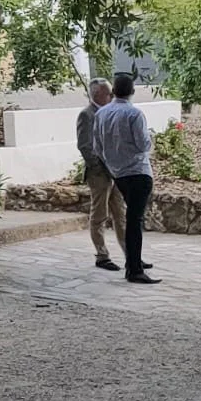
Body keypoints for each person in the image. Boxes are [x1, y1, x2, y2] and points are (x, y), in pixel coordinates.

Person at [94, 72, 159, 284]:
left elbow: (98, 148)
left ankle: (133, 264)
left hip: (119, 173)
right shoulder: (134, 114)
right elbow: (143, 145)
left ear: (113, 91)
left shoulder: (101, 114)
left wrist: (113, 164)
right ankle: (134, 269)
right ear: (132, 92)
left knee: (131, 219)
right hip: (139, 172)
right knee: (134, 221)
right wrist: (151, 138)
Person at [76, 77, 127, 270]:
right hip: (99, 175)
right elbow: (84, 145)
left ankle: (131, 255)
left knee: (120, 214)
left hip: (115, 172)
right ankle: (102, 255)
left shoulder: (110, 113)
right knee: (99, 215)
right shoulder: (86, 115)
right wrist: (99, 167)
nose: (112, 96)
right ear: (97, 94)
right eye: (108, 93)